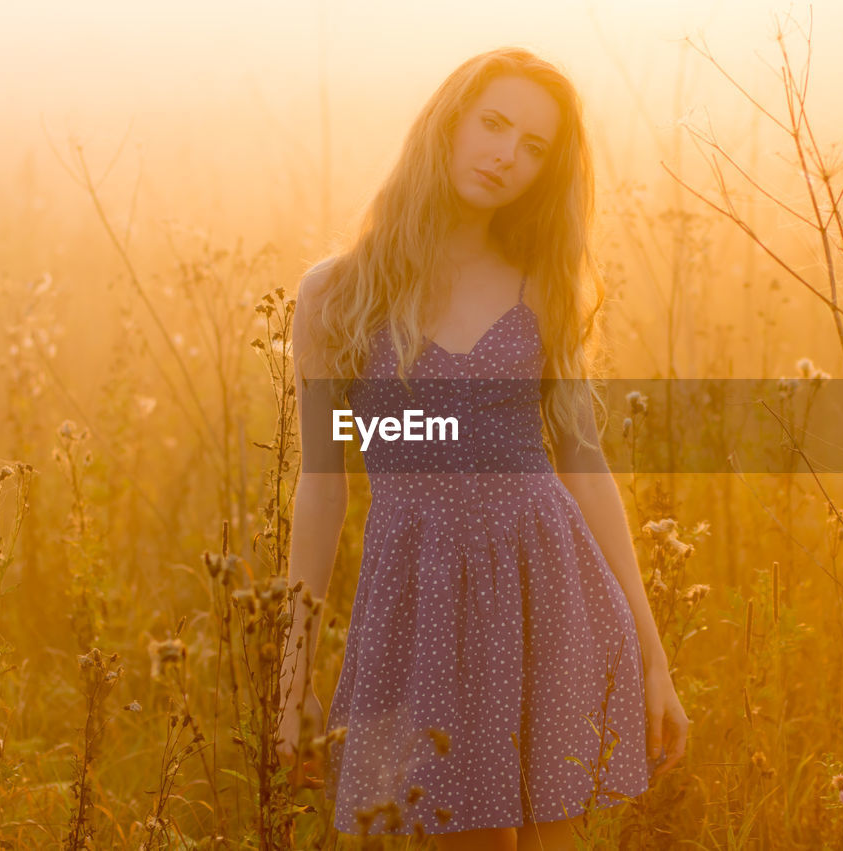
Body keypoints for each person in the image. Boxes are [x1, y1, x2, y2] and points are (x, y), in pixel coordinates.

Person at [277, 46, 689, 849]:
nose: (507, 155)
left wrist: (654, 655)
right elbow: (322, 487)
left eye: (534, 147)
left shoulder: (545, 283)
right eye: (493, 125)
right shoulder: (336, 292)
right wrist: (293, 675)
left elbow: (584, 461)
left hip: (544, 580)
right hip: (418, 593)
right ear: (448, 124)